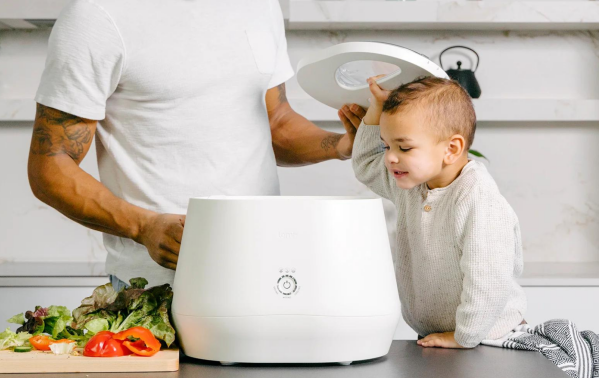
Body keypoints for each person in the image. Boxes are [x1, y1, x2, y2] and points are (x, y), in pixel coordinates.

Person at [27, 0, 366, 290]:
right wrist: (144, 227)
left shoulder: (260, 6)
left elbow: (275, 122)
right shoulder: (97, 15)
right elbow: (51, 164)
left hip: (264, 272)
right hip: (158, 288)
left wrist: (341, 144)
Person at [352, 75, 527, 348]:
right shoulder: (410, 185)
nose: (390, 157)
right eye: (387, 146)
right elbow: (365, 164)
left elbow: (488, 280)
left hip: (489, 338)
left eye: (404, 147)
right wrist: (375, 110)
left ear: (451, 148)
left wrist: (464, 337)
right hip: (443, 338)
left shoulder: (478, 198)